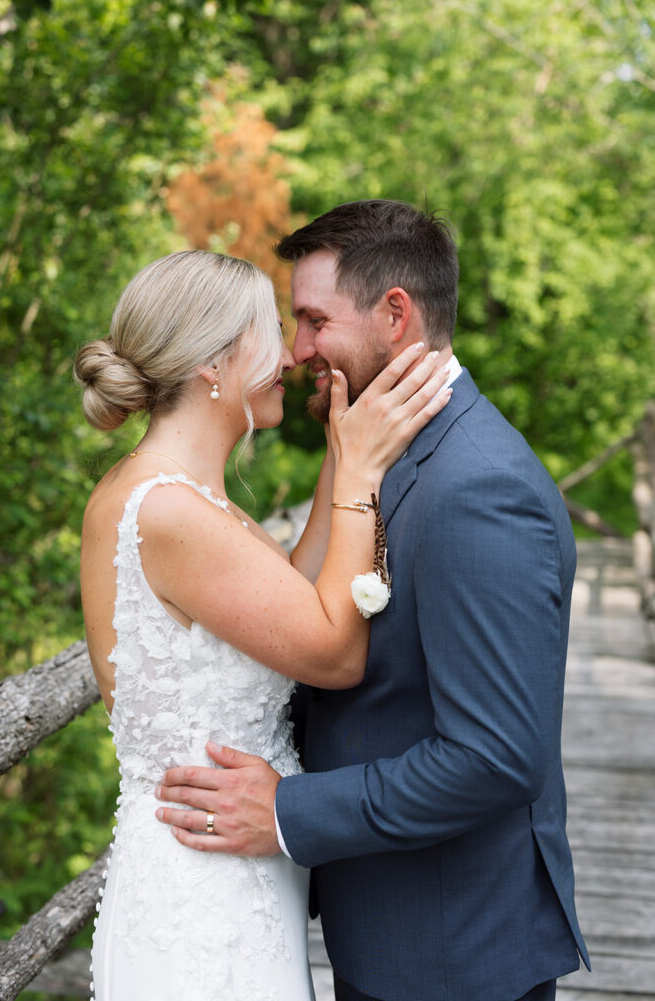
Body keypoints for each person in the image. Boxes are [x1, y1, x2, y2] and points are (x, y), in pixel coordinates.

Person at [155, 201, 590, 1001]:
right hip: (388, 924)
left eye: (315, 321)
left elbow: (494, 756)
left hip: (452, 951)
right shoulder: (382, 447)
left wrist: (288, 810)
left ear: (395, 313)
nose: (299, 350)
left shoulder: (476, 488)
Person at [74, 247, 450, 1000]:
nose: (290, 356)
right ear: (215, 361)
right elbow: (334, 652)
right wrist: (364, 476)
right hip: (202, 902)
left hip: (233, 871)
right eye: (272, 334)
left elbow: (295, 588)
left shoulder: (178, 494)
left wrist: (343, 453)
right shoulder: (170, 511)